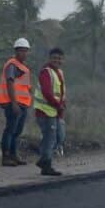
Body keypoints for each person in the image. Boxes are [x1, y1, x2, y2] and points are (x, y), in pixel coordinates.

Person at [0, 38, 32, 167]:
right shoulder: (12, 65)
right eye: (21, 51)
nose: (24, 53)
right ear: (16, 51)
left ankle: (13, 156)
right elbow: (10, 83)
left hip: (22, 104)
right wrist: (14, 103)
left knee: (17, 131)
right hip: (13, 104)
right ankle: (6, 157)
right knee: (10, 130)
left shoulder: (23, 67)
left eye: (25, 51)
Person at [34, 48, 66, 177]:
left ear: (62, 60)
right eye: (54, 58)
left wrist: (62, 107)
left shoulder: (59, 72)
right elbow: (47, 93)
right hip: (45, 112)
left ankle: (43, 159)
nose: (56, 60)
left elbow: (61, 92)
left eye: (59, 58)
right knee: (50, 138)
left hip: (55, 112)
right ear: (49, 58)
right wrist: (58, 105)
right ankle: (46, 164)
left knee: (59, 136)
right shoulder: (46, 72)